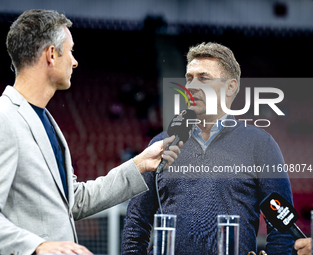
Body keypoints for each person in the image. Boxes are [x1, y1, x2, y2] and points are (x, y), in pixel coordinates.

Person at [0, 10, 182, 255]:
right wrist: (37, 247)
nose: (74, 61)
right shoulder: (1, 119)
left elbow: (75, 200)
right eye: (70, 50)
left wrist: (139, 164)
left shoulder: (45, 121)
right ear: (51, 54)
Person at [122, 42, 295, 254]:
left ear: (230, 87)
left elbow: (282, 225)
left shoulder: (260, 145)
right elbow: (136, 221)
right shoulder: (161, 145)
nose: (192, 85)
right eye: (189, 78)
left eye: (203, 78)